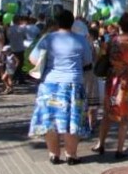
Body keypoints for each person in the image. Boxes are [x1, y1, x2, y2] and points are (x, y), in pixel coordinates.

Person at [28, 10, 93, 165]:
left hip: (50, 84)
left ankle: (53, 154)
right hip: (73, 84)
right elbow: (87, 61)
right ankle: (71, 155)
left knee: (50, 120)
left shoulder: (48, 39)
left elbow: (32, 59)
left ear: (56, 23)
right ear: (72, 23)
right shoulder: (80, 40)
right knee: (72, 120)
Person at [92, 13, 128, 160]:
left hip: (113, 80)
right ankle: (120, 149)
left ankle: (100, 144)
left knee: (107, 112)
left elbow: (101, 56)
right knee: (125, 117)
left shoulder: (111, 41)